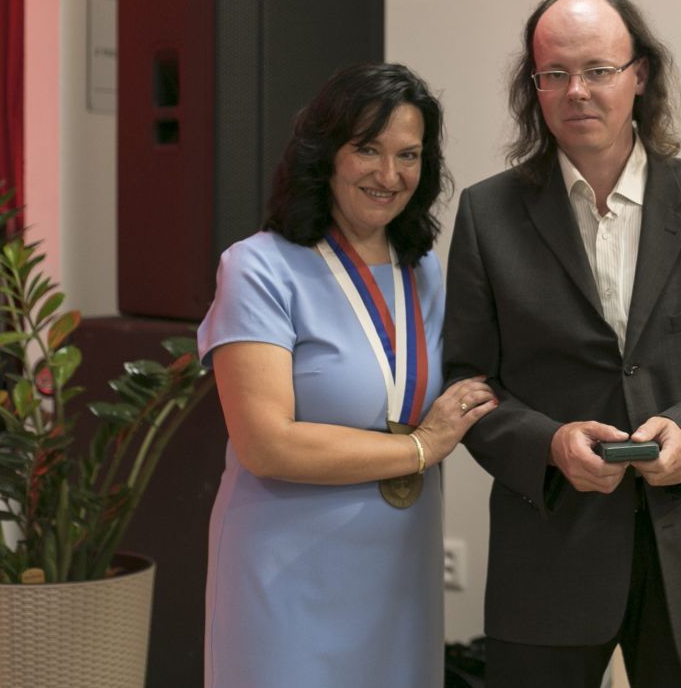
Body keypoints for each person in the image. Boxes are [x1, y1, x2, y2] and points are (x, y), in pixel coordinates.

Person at [443, 0, 681, 688]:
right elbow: (468, 382)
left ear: (640, 75)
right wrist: (549, 444)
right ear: (534, 87)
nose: (576, 91)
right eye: (554, 73)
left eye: (598, 70)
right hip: (548, 552)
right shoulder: (488, 216)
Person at [197, 63, 497, 688]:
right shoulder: (258, 269)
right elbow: (265, 443)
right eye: (367, 149)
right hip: (286, 577)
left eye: (408, 155)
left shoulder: (423, 271)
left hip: (401, 573)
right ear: (325, 154)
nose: (389, 175)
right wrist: (421, 447)